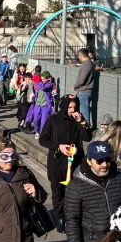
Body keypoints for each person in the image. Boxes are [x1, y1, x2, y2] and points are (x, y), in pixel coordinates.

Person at [38, 94, 93, 232]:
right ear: (63, 106)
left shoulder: (78, 118)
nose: (72, 110)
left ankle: (74, 218)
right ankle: (59, 218)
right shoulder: (53, 120)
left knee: (75, 192)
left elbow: (87, 137)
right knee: (58, 192)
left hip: (76, 162)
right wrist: (58, 146)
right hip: (57, 162)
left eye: (74, 107)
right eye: (69, 107)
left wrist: (82, 122)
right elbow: (43, 139)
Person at [24, 70, 55, 135]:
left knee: (43, 121)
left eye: (44, 79)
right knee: (35, 120)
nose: (42, 80)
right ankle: (37, 131)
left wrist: (34, 83)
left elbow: (43, 88)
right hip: (37, 104)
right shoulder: (40, 83)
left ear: (48, 78)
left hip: (45, 105)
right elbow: (36, 90)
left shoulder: (50, 84)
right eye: (42, 79)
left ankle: (42, 134)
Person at [73, 48, 97, 123]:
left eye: (78, 55)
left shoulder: (86, 65)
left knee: (84, 112)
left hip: (84, 91)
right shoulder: (91, 63)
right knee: (83, 111)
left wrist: (75, 86)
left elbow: (82, 80)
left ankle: (86, 128)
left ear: (81, 55)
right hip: (87, 91)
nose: (78, 57)